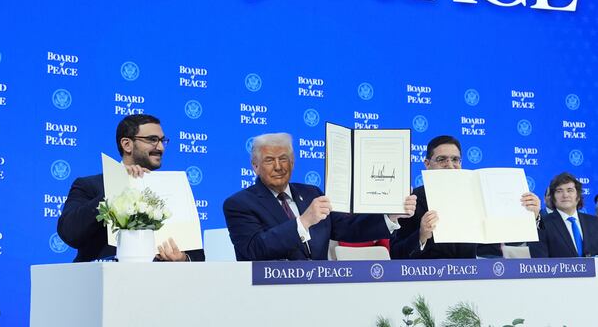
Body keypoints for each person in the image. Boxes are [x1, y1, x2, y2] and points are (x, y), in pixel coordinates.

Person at [223, 132, 416, 261]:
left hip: (321, 291)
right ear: (254, 166)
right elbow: (253, 250)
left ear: (292, 163)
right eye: (269, 160)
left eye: (284, 159)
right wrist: (303, 222)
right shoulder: (239, 204)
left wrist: (390, 216)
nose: (278, 166)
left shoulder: (311, 193)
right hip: (270, 295)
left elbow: (348, 228)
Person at [56, 114, 205, 262]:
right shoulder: (89, 185)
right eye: (152, 140)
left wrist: (184, 259)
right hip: (106, 280)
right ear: (127, 144)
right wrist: (118, 186)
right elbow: (70, 233)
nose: (160, 147)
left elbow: (197, 253)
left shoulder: (172, 188)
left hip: (161, 281)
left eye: (162, 140)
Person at [391, 135, 541, 259]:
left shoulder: (478, 195)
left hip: (470, 280)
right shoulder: (412, 200)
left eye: (455, 159)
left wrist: (530, 218)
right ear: (427, 164)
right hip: (423, 281)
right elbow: (396, 254)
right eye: (442, 159)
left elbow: (508, 242)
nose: (450, 165)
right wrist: (421, 235)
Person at [531, 172, 598, 258]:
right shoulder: (542, 225)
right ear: (553, 197)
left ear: (578, 196)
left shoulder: (594, 222)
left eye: (570, 190)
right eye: (559, 191)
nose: (565, 195)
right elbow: (539, 262)